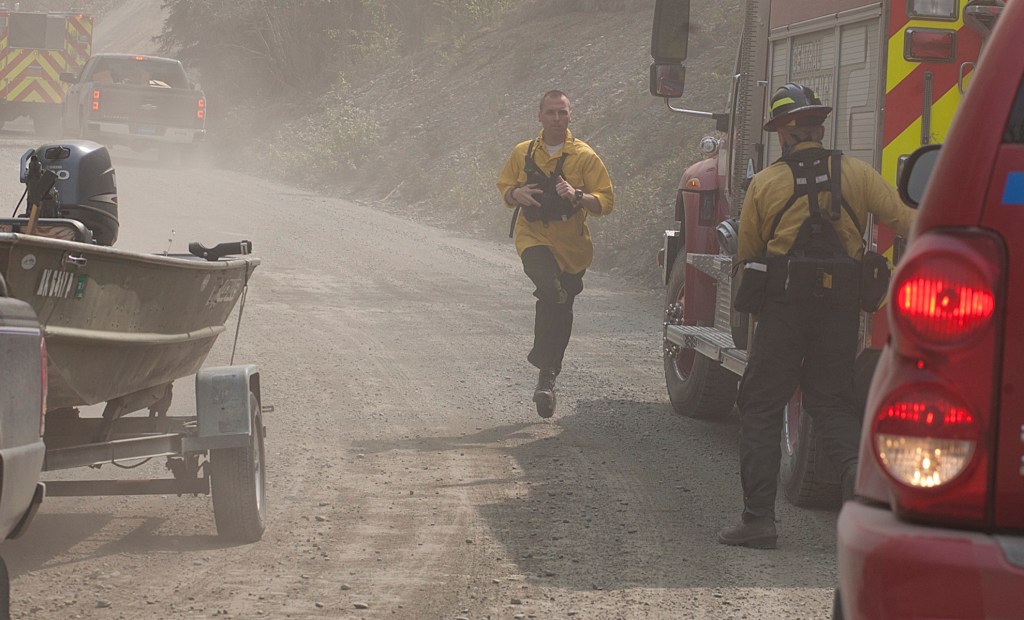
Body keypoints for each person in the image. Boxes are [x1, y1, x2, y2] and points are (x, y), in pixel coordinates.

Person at [718, 83, 915, 549]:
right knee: (831, 403)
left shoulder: (766, 183)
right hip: (840, 311)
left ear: (783, 134)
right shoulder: (858, 173)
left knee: (763, 405)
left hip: (784, 310)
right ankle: (857, 496)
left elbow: (748, 254)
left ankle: (758, 521)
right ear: (818, 128)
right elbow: (908, 221)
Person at [496, 90, 614, 418]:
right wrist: (515, 193)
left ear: (570, 116)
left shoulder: (585, 157)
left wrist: (577, 194)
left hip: (573, 248)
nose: (556, 119)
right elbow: (505, 188)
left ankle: (547, 377)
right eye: (550, 112)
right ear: (539, 116)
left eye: (562, 113)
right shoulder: (522, 153)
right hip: (533, 237)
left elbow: (605, 201)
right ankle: (544, 366)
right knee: (549, 288)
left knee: (560, 303)